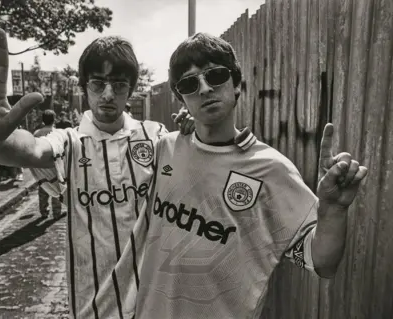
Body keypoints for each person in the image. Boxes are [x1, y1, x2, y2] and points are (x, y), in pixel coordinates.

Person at [0, 14, 194, 319]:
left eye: (118, 84)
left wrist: (198, 131)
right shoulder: (70, 141)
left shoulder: (154, 135)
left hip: (157, 303)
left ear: (130, 89)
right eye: (98, 83)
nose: (107, 94)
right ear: (84, 86)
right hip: (96, 305)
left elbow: (199, 175)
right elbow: (33, 150)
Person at [135, 33, 368, 319]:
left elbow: (321, 261)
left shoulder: (271, 170)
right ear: (180, 97)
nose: (205, 89)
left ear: (236, 85)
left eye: (216, 76)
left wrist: (334, 210)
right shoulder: (164, 150)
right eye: (189, 83)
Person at [34, 109, 62, 218]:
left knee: (43, 190)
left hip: (41, 167)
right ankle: (56, 213)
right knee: (57, 190)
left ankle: (44, 212)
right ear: (54, 120)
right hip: (55, 166)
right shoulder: (58, 133)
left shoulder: (36, 134)